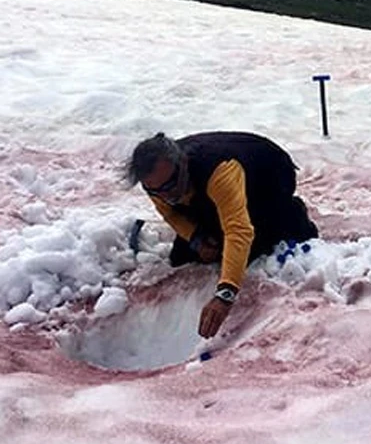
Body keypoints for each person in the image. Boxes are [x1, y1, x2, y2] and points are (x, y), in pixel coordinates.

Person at [125, 131, 318, 338]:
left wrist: (225, 294)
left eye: (170, 186)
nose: (166, 196)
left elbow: (238, 232)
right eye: (155, 191)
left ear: (182, 165)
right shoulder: (156, 182)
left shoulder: (219, 171)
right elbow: (170, 213)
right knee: (184, 256)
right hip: (204, 189)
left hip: (269, 176)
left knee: (252, 251)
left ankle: (292, 214)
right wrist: (196, 238)